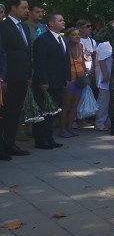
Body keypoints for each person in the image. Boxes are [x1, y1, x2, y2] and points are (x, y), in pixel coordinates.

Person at [0, 0, 33, 158]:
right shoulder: (3, 27)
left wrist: (29, 73)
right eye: (24, 7)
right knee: (5, 113)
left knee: (14, 113)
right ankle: (3, 147)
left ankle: (10, 144)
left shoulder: (25, 28)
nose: (27, 10)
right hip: (8, 78)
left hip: (22, 77)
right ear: (14, 8)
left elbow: (26, 52)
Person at [31, 12, 69, 149]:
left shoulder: (63, 40)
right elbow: (40, 62)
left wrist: (67, 78)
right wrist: (43, 81)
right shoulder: (43, 40)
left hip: (59, 82)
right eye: (60, 20)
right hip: (45, 83)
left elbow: (65, 61)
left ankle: (49, 138)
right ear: (51, 23)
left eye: (63, 20)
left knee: (53, 112)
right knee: (43, 112)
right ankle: (40, 140)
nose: (63, 22)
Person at [61, 27, 87, 139]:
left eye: (78, 34)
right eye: (74, 34)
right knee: (66, 105)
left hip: (80, 79)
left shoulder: (80, 46)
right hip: (69, 79)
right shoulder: (64, 47)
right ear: (68, 37)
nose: (77, 36)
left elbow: (83, 62)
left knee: (74, 105)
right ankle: (63, 129)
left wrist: (86, 75)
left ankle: (70, 128)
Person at [94, 40, 113, 131]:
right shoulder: (104, 44)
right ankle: (99, 123)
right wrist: (105, 74)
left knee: (108, 101)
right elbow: (101, 60)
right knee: (103, 101)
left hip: (111, 77)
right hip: (105, 78)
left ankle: (106, 121)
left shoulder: (113, 42)